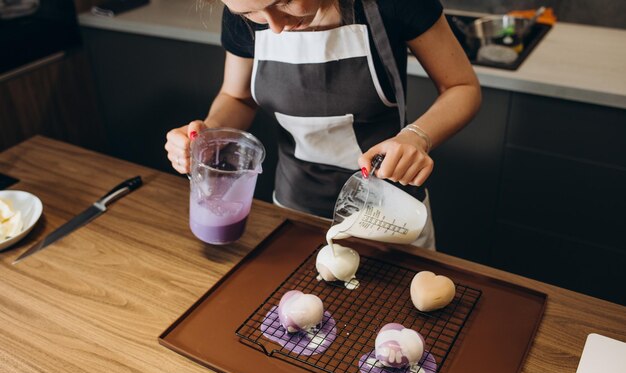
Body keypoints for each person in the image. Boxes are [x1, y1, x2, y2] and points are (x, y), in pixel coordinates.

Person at [165, 0, 481, 249]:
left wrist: (416, 138)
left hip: (390, 218)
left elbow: (462, 87)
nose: (274, 26)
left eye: (285, 1)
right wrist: (209, 134)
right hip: (294, 212)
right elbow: (238, 97)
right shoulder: (245, 13)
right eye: (250, 13)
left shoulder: (389, 4)